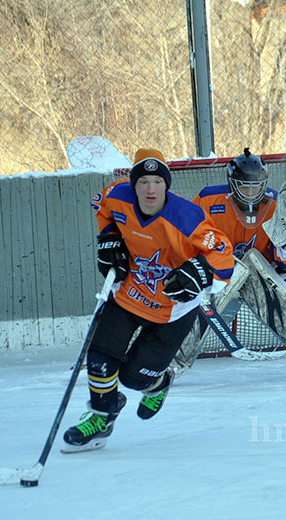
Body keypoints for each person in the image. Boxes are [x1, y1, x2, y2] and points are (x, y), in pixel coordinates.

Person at [62, 148, 235, 451]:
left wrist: (202, 270)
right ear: (134, 184)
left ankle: (159, 383)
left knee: (135, 377)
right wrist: (109, 239)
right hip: (129, 294)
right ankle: (103, 415)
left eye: (157, 181)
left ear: (166, 185)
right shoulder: (117, 195)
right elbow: (103, 210)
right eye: (143, 182)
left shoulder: (187, 217)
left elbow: (223, 254)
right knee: (101, 359)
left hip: (173, 310)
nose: (150, 189)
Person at [171, 147, 286, 382]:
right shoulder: (208, 199)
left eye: (256, 186)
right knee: (187, 297)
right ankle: (167, 361)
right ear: (232, 184)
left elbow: (284, 260)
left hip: (259, 276)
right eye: (245, 186)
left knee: (285, 300)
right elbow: (186, 238)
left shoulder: (279, 204)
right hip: (217, 274)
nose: (251, 192)